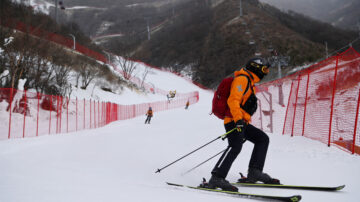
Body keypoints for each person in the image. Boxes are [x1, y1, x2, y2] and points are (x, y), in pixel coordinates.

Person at [208, 58, 280, 192]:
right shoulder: (242, 79)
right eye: (264, 69)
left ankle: (255, 171)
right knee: (235, 147)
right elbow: (233, 100)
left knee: (262, 139)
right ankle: (217, 177)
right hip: (234, 120)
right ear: (255, 67)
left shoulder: (250, 82)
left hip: (242, 122)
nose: (265, 72)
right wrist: (238, 120)